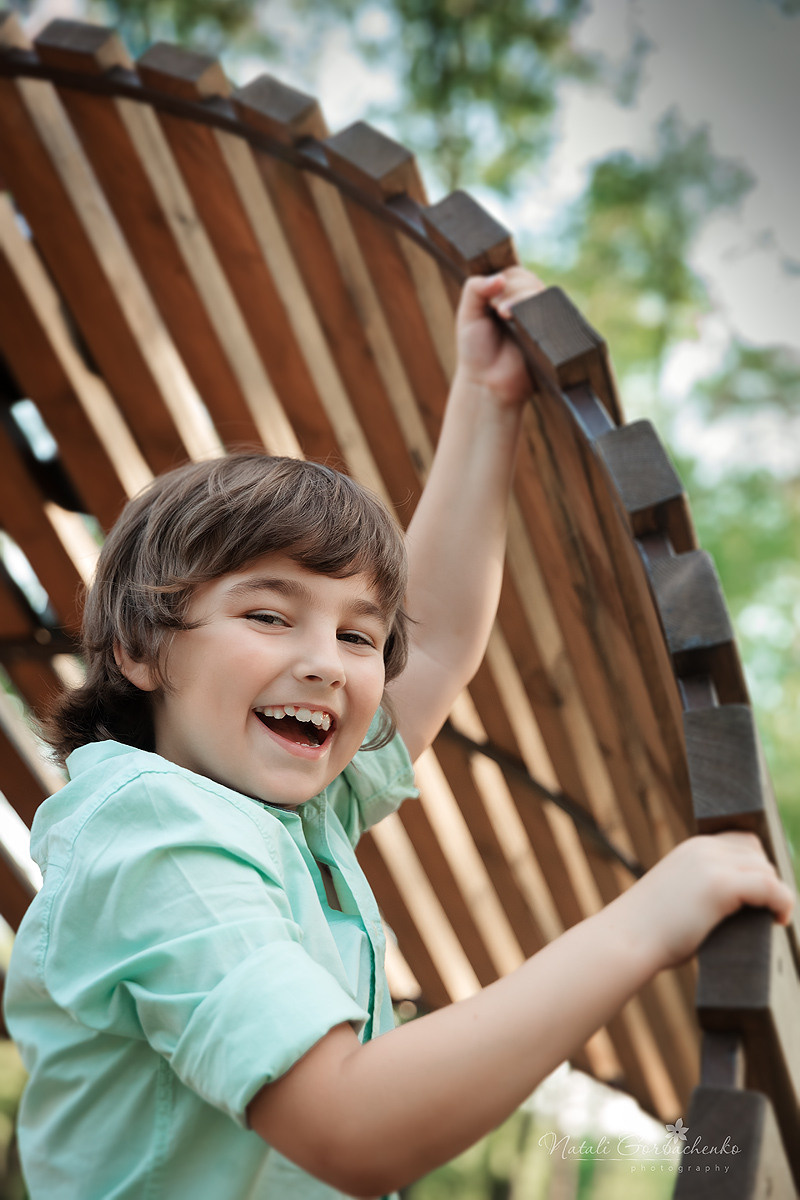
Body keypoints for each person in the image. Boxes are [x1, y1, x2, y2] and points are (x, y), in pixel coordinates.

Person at [4, 270, 793, 1200]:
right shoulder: (159, 838)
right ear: (139, 645)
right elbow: (349, 1125)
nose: (328, 664)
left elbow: (441, 637)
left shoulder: (285, 814)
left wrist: (488, 398)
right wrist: (644, 926)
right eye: (268, 615)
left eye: (357, 635)